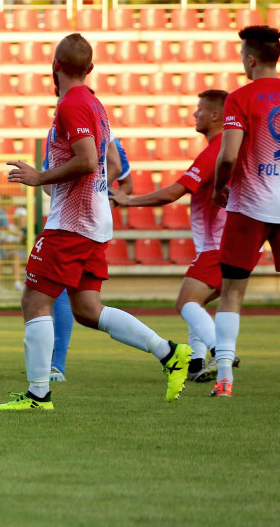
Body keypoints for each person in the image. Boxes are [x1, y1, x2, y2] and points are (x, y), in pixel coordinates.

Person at [0, 33, 191, 411]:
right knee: (87, 309)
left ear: (54, 66)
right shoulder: (95, 105)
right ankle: (170, 353)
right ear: (91, 68)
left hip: (72, 223)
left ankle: (37, 395)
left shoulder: (72, 105)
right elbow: (111, 164)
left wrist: (42, 177)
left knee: (35, 300)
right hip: (94, 219)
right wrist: (83, 188)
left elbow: (86, 160)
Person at [210, 25, 280, 398]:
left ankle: (224, 376)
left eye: (243, 54)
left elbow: (227, 156)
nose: (242, 60)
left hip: (250, 206)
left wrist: (217, 188)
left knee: (232, 293)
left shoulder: (240, 98)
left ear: (252, 58)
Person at [111, 90, 230, 383]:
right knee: (196, 304)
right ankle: (199, 361)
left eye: (199, 109)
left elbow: (173, 192)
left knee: (185, 303)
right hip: (226, 244)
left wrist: (129, 201)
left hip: (218, 246)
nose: (194, 114)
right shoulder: (226, 150)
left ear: (215, 115)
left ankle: (221, 351)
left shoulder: (215, 151)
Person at [48, 136, 131, 382]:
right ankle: (166, 351)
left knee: (48, 295)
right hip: (68, 221)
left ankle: (55, 365)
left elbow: (126, 183)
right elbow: (47, 178)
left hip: (84, 226)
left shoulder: (108, 140)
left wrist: (104, 200)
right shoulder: (56, 137)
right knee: (85, 308)